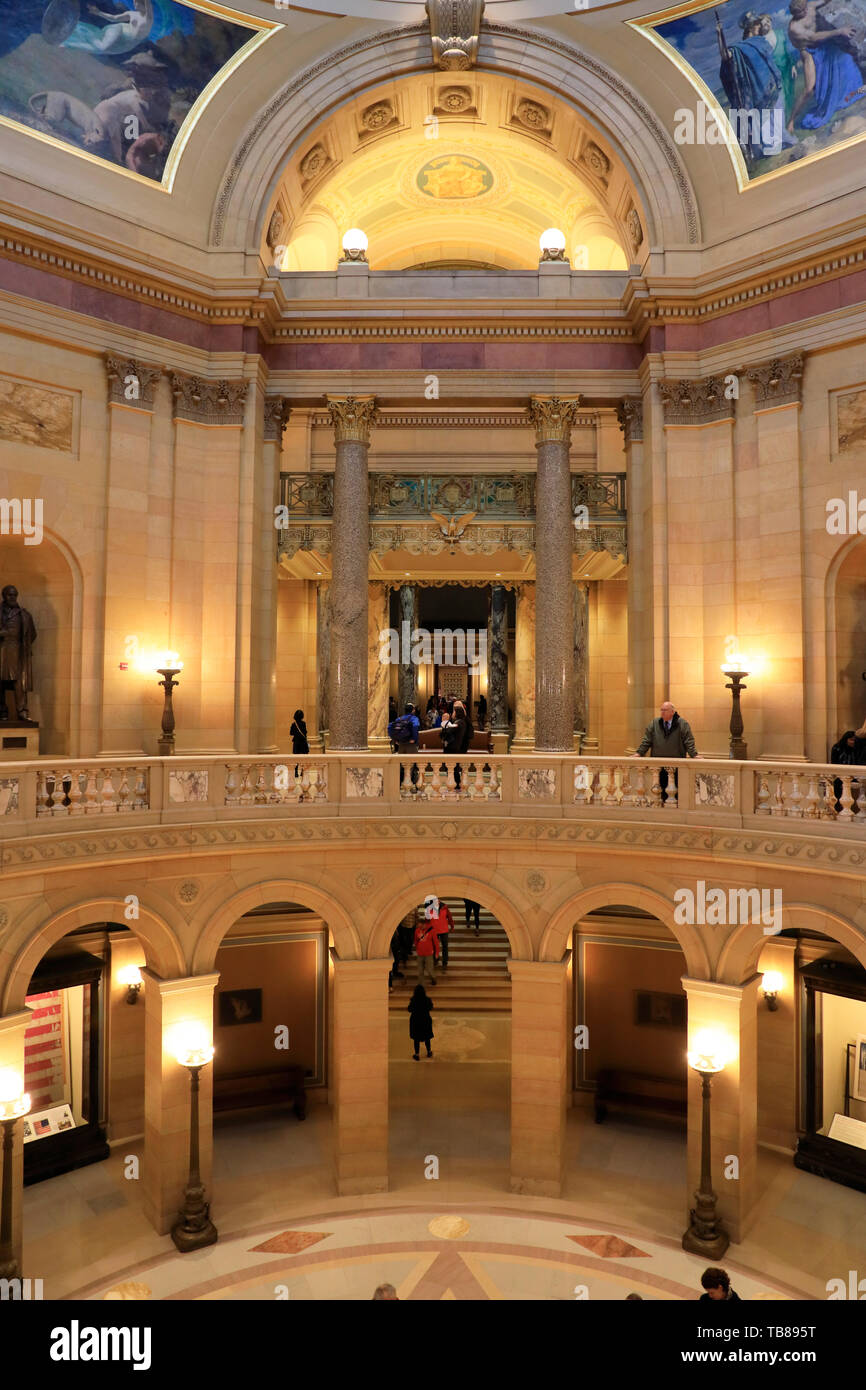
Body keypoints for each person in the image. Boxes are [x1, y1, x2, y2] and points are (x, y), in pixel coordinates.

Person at [786, 0, 860, 133]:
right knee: (809, 89)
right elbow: (814, 37)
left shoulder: (810, 6)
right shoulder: (794, 27)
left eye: (804, 8)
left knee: (846, 58)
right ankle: (791, 120)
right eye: (800, 12)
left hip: (823, 46)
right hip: (808, 51)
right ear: (795, 14)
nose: (805, 12)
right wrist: (840, 31)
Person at [632, 700, 697, 803]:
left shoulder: (682, 724)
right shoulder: (655, 723)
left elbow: (688, 741)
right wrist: (639, 753)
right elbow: (647, 740)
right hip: (658, 765)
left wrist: (694, 755)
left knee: (676, 790)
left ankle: (675, 810)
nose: (662, 712)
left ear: (672, 712)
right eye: (661, 710)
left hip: (676, 765)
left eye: (665, 710)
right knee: (659, 789)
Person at [0, 586, 37, 721]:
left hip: (17, 651)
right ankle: (2, 711)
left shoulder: (24, 615)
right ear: (4, 596)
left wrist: (22, 644)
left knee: (19, 682)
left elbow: (32, 634)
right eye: (10, 595)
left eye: (15, 595)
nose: (12, 597)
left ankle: (22, 710)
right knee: (1, 682)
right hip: (1, 649)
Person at [423, 893, 454, 970]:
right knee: (434, 946)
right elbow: (427, 920)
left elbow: (449, 917)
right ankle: (435, 960)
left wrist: (452, 925)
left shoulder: (445, 908)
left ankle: (444, 963)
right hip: (434, 931)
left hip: (444, 930)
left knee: (445, 947)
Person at [408, 984, 434, 1059]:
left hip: (416, 1020)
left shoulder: (413, 1000)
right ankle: (429, 1052)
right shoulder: (427, 999)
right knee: (427, 1037)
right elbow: (430, 1007)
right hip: (425, 1019)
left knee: (416, 1038)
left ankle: (417, 1054)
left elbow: (409, 1009)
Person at [414, 911, 438, 985]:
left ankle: (433, 978)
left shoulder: (431, 931)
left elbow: (436, 943)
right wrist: (417, 947)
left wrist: (436, 953)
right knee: (420, 971)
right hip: (420, 953)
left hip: (429, 954)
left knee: (429, 970)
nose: (418, 926)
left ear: (424, 924)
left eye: (419, 925)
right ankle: (421, 985)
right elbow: (415, 940)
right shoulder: (417, 931)